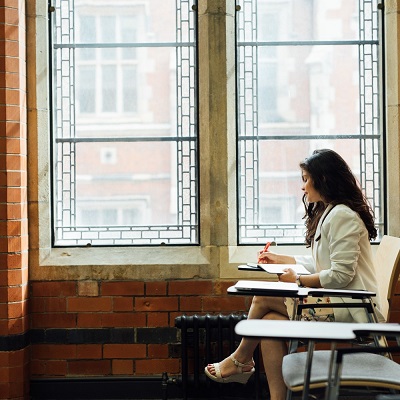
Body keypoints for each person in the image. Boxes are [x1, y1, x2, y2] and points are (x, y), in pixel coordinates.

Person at [204, 149, 383, 400]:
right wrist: (283, 260)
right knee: (267, 326)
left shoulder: (342, 215)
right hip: (337, 301)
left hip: (350, 307)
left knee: (262, 298)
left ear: (324, 180)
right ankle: (279, 396)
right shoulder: (330, 212)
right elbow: (322, 263)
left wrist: (297, 280)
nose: (303, 187)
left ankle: (241, 359)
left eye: (306, 179)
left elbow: (341, 275)